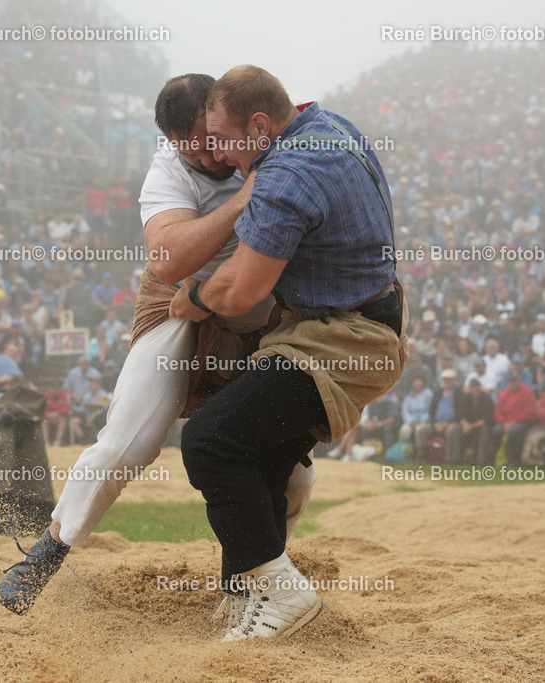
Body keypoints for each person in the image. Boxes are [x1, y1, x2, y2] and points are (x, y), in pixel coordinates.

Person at [0, 73, 318, 620]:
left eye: (214, 143)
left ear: (223, 119)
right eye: (191, 152)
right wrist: (243, 199)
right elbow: (169, 260)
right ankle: (51, 549)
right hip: (179, 303)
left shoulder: (266, 143)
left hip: (260, 306)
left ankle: (253, 582)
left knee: (292, 466)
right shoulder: (169, 168)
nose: (209, 159)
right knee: (130, 437)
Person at [171, 65, 407, 640]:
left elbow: (241, 290)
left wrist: (194, 295)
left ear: (258, 123)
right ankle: (245, 595)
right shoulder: (331, 126)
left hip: (340, 339)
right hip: (362, 324)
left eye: (224, 139)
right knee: (264, 461)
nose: (221, 156)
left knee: (209, 441)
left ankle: (279, 590)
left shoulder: (285, 174)